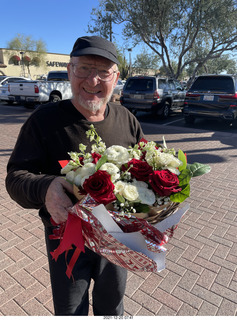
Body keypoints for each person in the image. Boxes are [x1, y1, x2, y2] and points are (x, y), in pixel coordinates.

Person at [5, 36, 144, 316]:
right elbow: (15, 177)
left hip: (117, 239)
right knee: (70, 311)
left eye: (103, 71)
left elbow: (145, 170)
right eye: (84, 69)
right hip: (67, 241)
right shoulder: (43, 121)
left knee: (112, 308)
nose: (93, 81)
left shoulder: (127, 119)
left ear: (116, 77)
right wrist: (46, 188)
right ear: (70, 71)